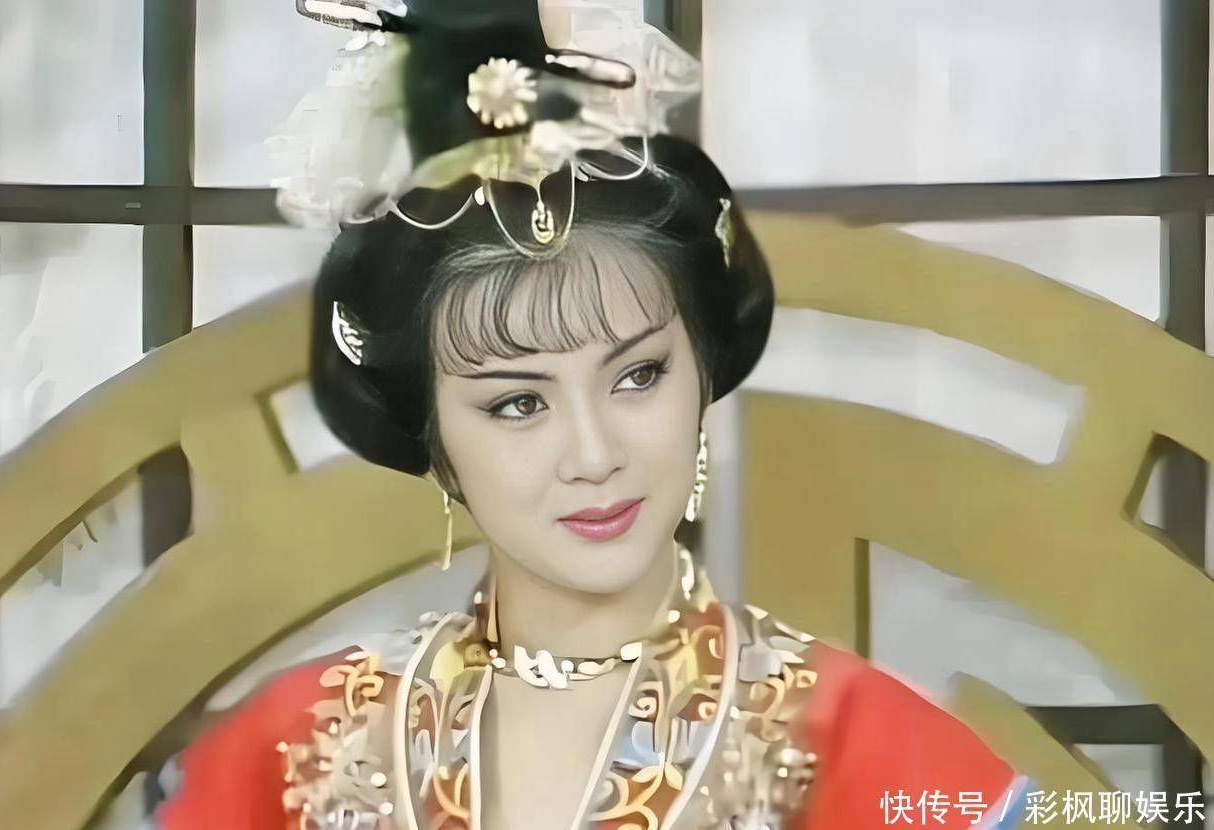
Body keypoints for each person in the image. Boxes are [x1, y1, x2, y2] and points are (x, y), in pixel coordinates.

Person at [160, 2, 1029, 828]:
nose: (594, 452)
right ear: (436, 438)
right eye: (518, 402)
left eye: (640, 375)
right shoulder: (295, 754)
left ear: (702, 373)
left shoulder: (861, 745)